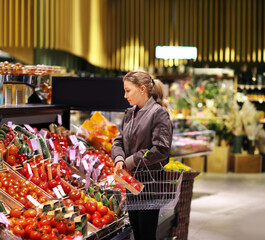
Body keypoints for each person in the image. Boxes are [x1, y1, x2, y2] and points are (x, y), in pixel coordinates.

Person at [111, 70, 173, 240]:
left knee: (146, 234)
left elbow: (161, 149)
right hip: (131, 183)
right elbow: (118, 141)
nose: (125, 95)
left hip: (150, 184)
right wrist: (119, 159)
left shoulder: (158, 113)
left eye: (128, 90)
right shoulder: (130, 113)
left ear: (142, 89)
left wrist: (130, 161)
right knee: (137, 232)